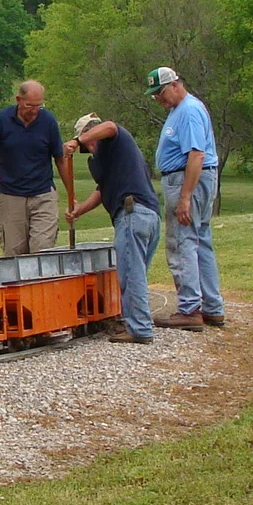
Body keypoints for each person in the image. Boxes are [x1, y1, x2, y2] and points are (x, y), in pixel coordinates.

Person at [65, 111, 160, 343]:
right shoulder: (103, 160)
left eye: (86, 142)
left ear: (89, 136)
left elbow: (110, 125)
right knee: (134, 272)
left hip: (132, 213)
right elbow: (102, 190)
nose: (87, 149)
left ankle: (140, 329)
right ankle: (135, 321)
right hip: (145, 215)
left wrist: (77, 141)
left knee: (131, 275)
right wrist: (79, 210)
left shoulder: (116, 139)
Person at [146, 65, 224, 329]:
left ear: (176, 84)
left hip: (186, 178)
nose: (159, 99)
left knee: (182, 242)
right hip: (191, 178)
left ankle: (190, 308)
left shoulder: (189, 110)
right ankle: (212, 307)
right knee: (201, 241)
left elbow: (196, 155)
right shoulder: (180, 110)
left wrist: (185, 196)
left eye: (161, 92)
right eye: (155, 95)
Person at [0, 79, 72, 256]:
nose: (34, 111)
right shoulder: (2, 119)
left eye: (39, 106)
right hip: (11, 195)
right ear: (19, 99)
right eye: (30, 105)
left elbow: (60, 159)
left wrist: (72, 196)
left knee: (42, 252)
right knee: (14, 253)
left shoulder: (48, 121)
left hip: (42, 194)